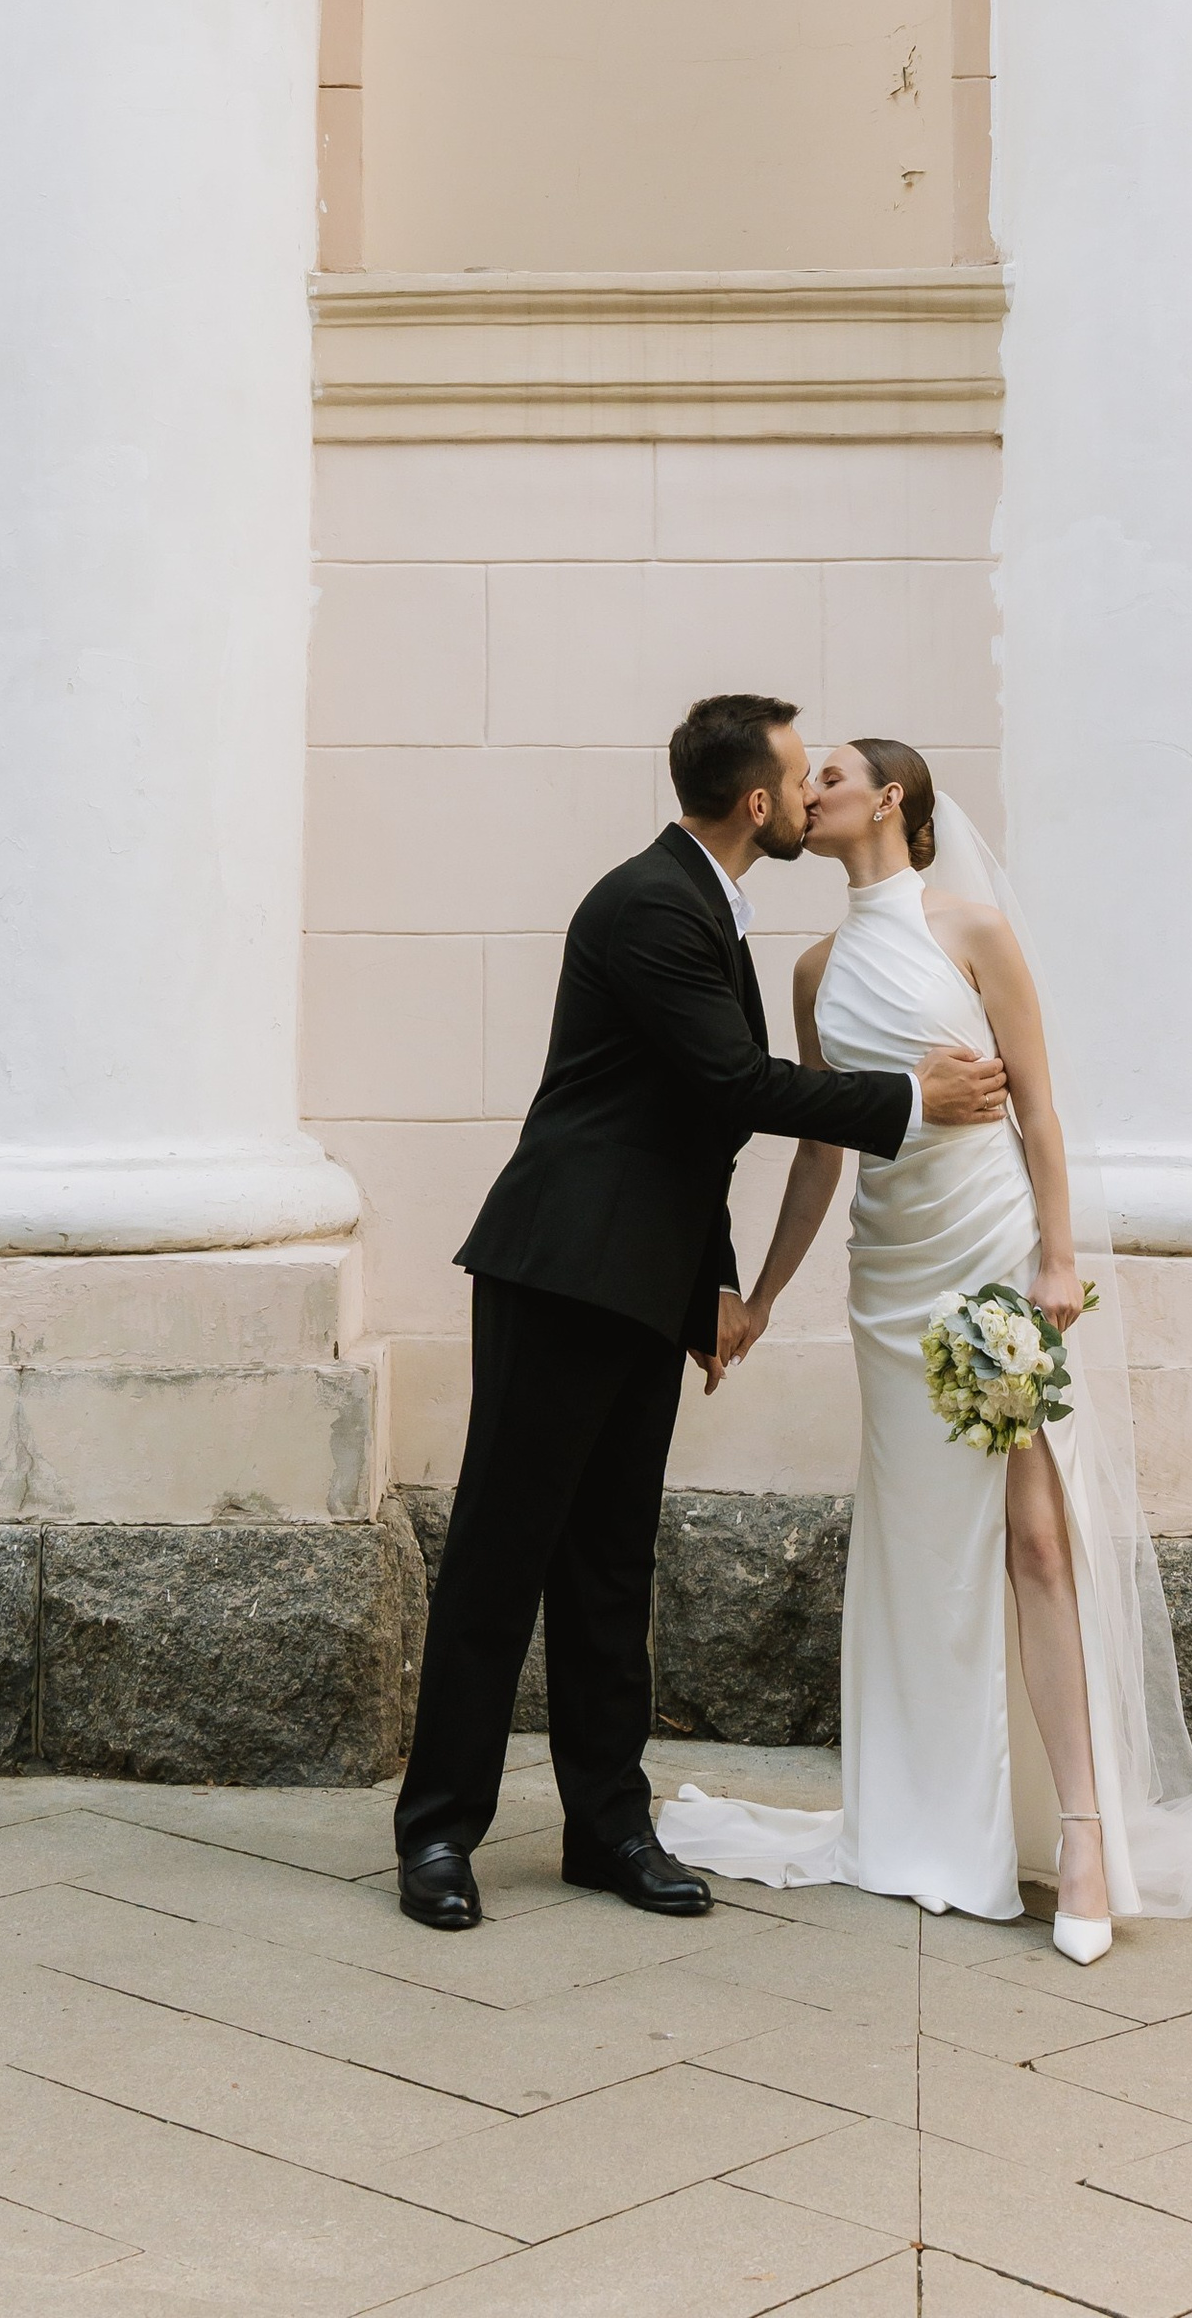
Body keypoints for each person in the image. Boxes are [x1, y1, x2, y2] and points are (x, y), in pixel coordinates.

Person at [392, 693, 1016, 1936]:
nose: (804, 797)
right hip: (561, 1268)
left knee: (614, 1559)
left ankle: (607, 1827)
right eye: (795, 780)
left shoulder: (708, 905)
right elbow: (734, 1083)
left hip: (638, 1277)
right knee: (502, 1556)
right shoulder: (648, 904)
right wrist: (907, 1096)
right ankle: (437, 1834)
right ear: (755, 804)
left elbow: (695, 1129)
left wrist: (714, 1290)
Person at [664, 739, 1192, 1955]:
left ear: (889, 801)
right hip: (886, 1277)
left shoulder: (970, 930)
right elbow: (822, 1146)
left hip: (986, 1254)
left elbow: (1037, 1104)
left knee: (1035, 1538)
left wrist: (1056, 1258)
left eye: (830, 774)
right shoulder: (814, 967)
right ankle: (936, 1815)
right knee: (926, 1551)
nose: (808, 791)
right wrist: (765, 1294)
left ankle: (1085, 1833)